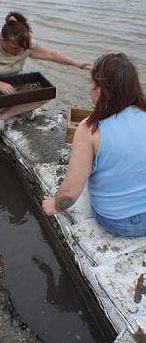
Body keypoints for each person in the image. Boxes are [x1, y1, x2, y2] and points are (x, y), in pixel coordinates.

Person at [42, 52, 146, 237]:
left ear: (101, 89)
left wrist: (54, 206)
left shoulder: (90, 129)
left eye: (92, 84)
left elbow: (70, 193)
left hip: (117, 222)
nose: (90, 89)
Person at [0, 11, 91, 139]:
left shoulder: (26, 44)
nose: (19, 52)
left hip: (16, 85)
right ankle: (21, 109)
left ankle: (1, 117)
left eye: (22, 49)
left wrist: (77, 63)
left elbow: (51, 54)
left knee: (48, 92)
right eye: (14, 48)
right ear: (2, 40)